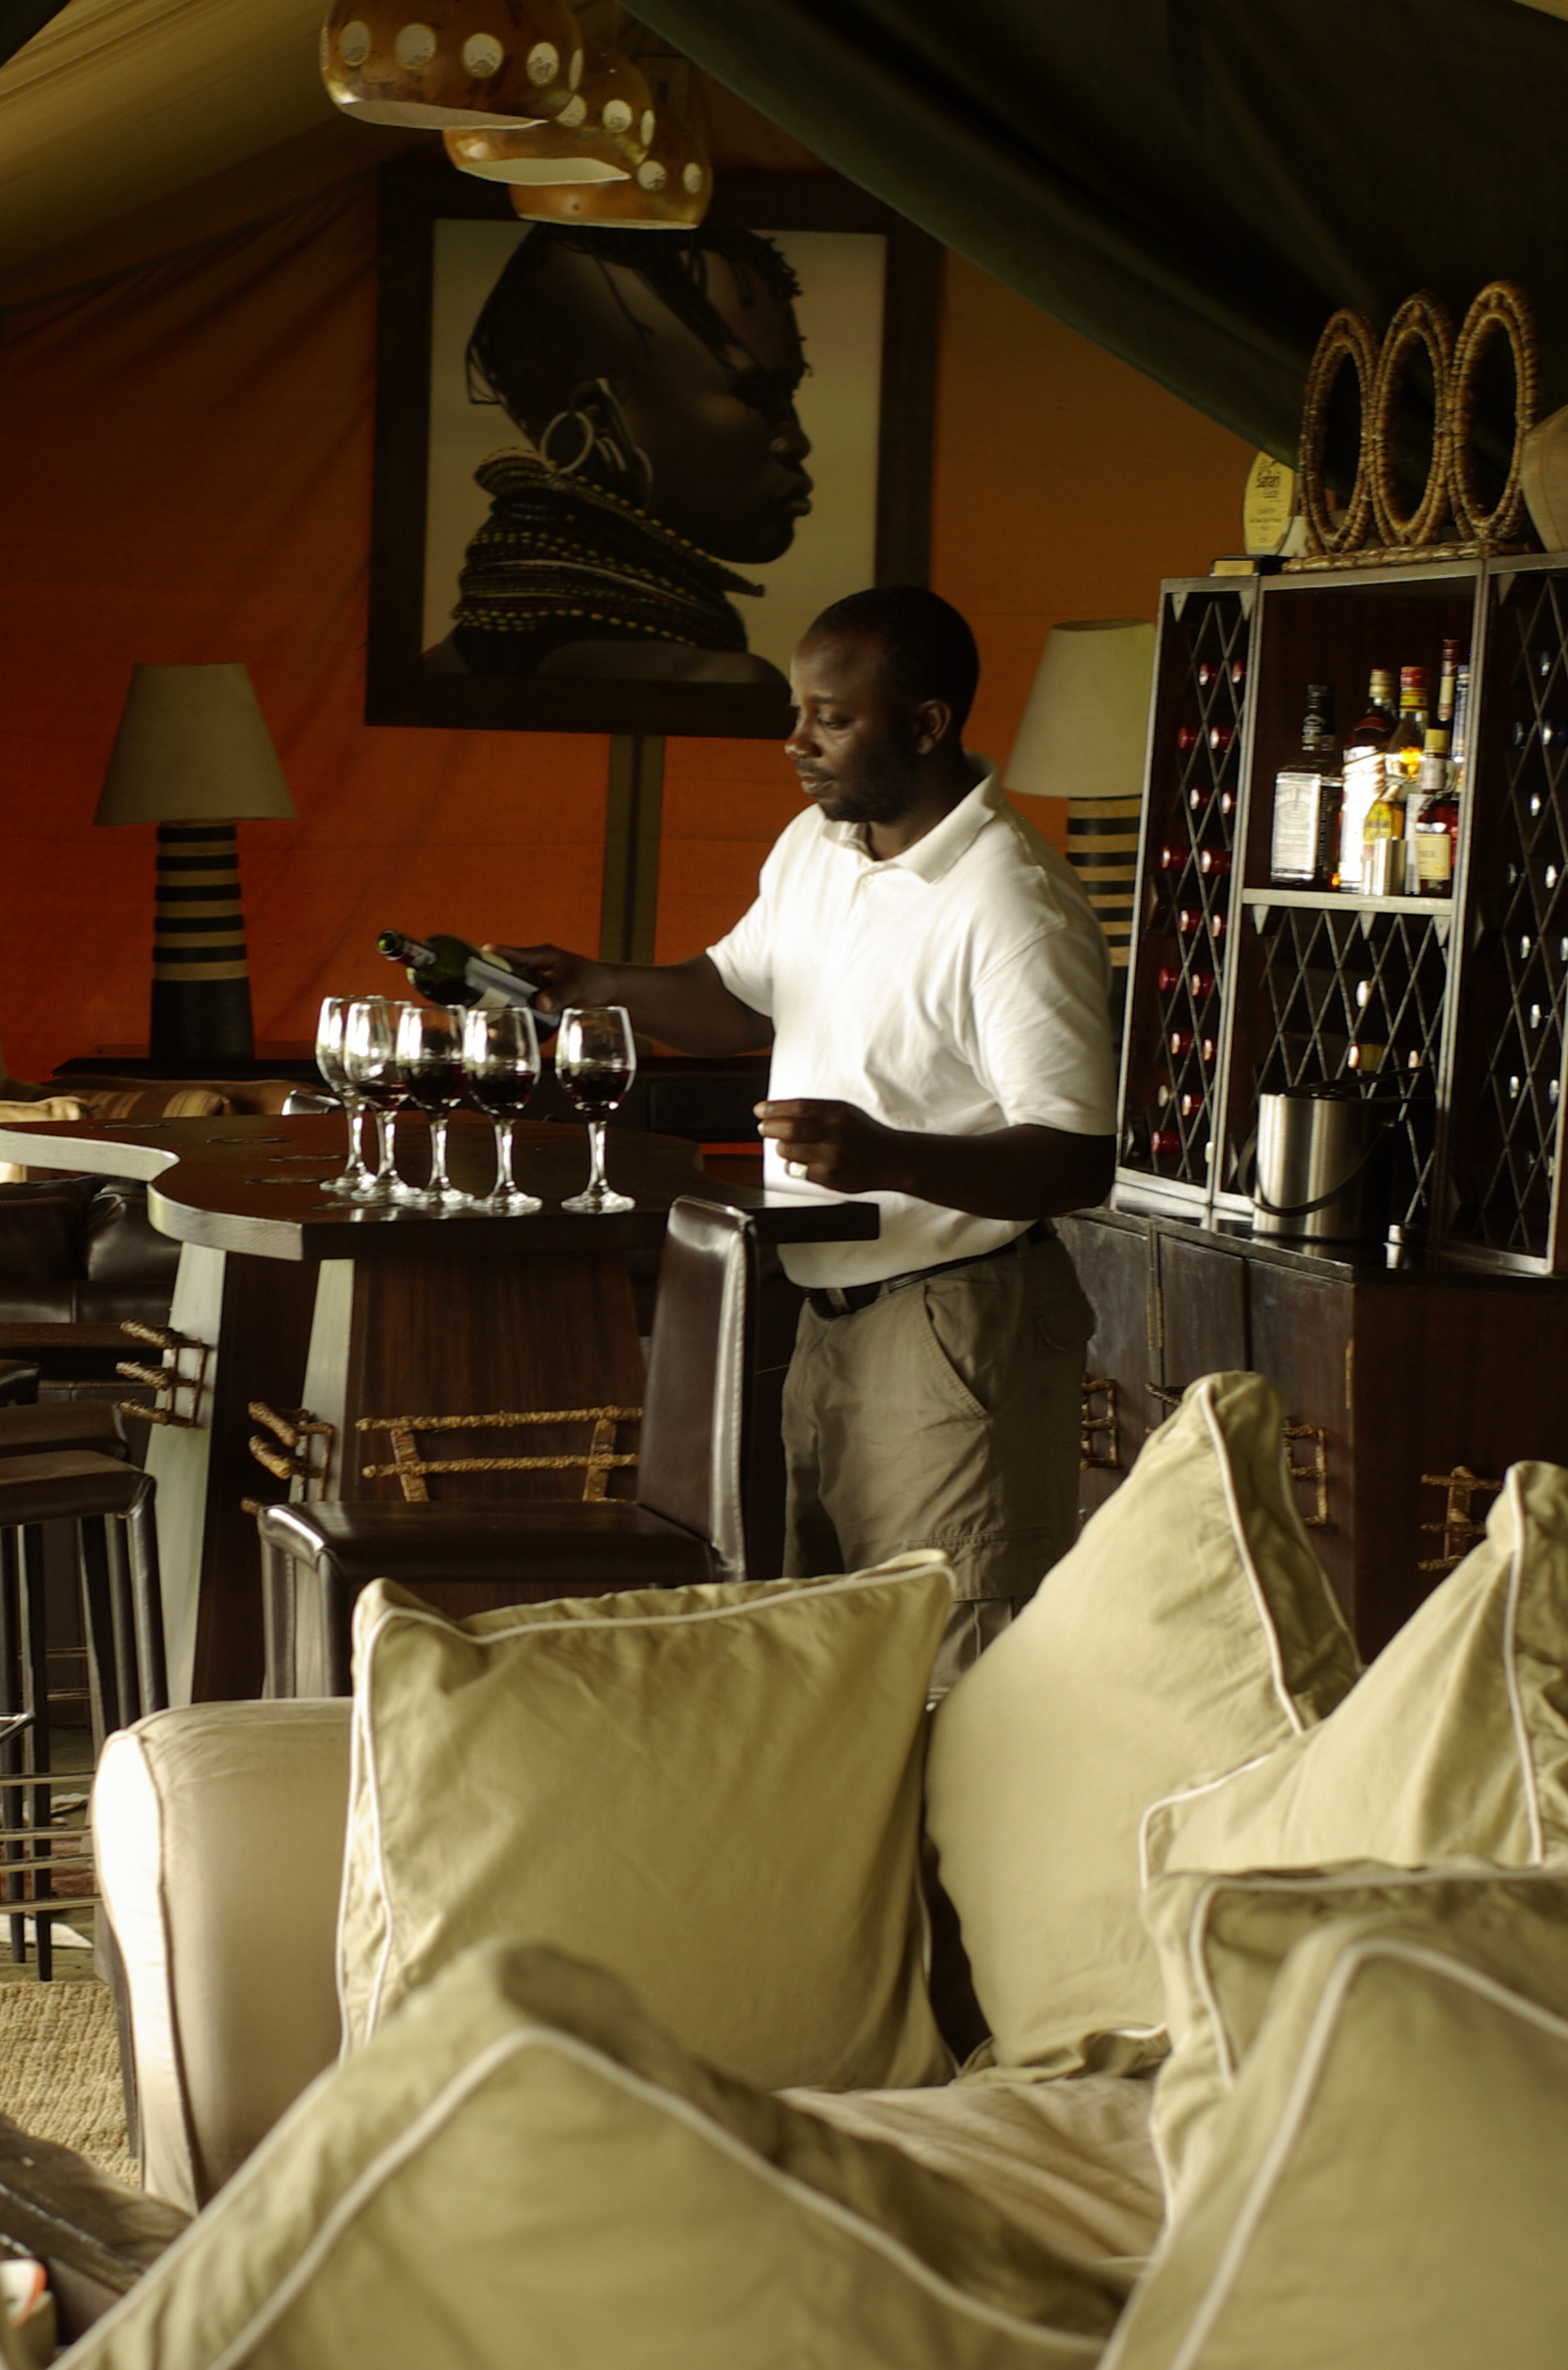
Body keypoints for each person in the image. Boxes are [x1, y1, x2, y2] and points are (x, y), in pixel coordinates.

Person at [500, 585, 1112, 1683]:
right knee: (825, 1670)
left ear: (924, 725)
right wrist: (594, 983)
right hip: (822, 1318)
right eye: (797, 710)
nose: (794, 741)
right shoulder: (817, 846)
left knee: (948, 1669)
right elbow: (737, 999)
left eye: (829, 719)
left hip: (957, 1328)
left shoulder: (1014, 907)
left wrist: (888, 1157)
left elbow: (1075, 1158)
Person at [422, 221, 816, 691]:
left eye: (788, 396)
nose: (796, 442)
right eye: (756, 394)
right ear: (602, 419)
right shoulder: (724, 685)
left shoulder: (445, 665)